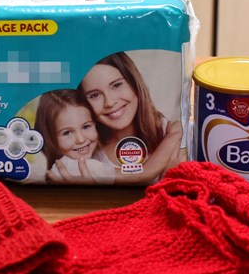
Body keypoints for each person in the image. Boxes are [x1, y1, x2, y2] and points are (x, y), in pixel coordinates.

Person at [68, 52, 183, 185]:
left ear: (134, 83)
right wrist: (175, 134)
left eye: (116, 85)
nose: (110, 102)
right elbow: (143, 174)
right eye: (94, 95)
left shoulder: (169, 131)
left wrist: (178, 133)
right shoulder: (85, 149)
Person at [35, 89, 117, 184]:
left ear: (95, 123)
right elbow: (129, 177)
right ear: (50, 138)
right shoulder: (75, 167)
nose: (81, 139)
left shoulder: (99, 153)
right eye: (67, 133)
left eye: (86, 126)